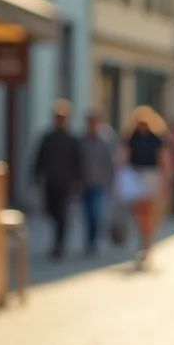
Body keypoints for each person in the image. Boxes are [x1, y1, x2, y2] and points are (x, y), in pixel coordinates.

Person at [32, 100, 84, 260]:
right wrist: (36, 176)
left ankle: (59, 244)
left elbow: (78, 161)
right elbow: (39, 158)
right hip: (50, 181)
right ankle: (57, 239)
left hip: (65, 182)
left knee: (62, 214)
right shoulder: (48, 137)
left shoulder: (72, 139)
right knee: (50, 210)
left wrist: (78, 180)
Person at [116, 106, 168, 267]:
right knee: (140, 212)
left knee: (149, 211)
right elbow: (124, 157)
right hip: (136, 176)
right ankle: (143, 241)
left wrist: (166, 179)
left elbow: (163, 159)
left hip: (151, 176)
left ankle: (147, 242)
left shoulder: (156, 138)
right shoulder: (131, 137)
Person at [80, 110, 116, 255]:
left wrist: (111, 180)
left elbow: (109, 163)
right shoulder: (82, 141)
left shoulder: (104, 141)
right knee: (87, 213)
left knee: (96, 212)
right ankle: (89, 239)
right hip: (85, 182)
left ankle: (94, 240)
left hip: (99, 182)